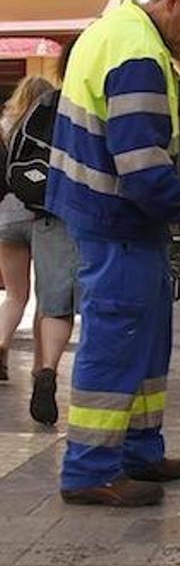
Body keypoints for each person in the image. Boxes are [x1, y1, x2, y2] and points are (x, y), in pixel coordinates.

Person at [47, 0, 180, 506]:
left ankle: (139, 450)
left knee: (147, 341)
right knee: (118, 342)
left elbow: (128, 125)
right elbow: (141, 167)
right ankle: (90, 469)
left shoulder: (123, 34)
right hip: (117, 218)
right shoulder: (137, 53)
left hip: (119, 217)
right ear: (173, 0)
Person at [5, 43, 84, 425]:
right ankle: (71, 375)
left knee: (46, 301)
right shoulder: (96, 103)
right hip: (89, 214)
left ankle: (43, 366)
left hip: (40, 214)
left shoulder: (42, 108)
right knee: (93, 305)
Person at [0, 76, 51, 384]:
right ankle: (40, 365)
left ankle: (1, 342)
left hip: (6, 217)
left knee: (15, 295)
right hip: (41, 217)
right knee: (47, 297)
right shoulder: (49, 126)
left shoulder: (5, 127)